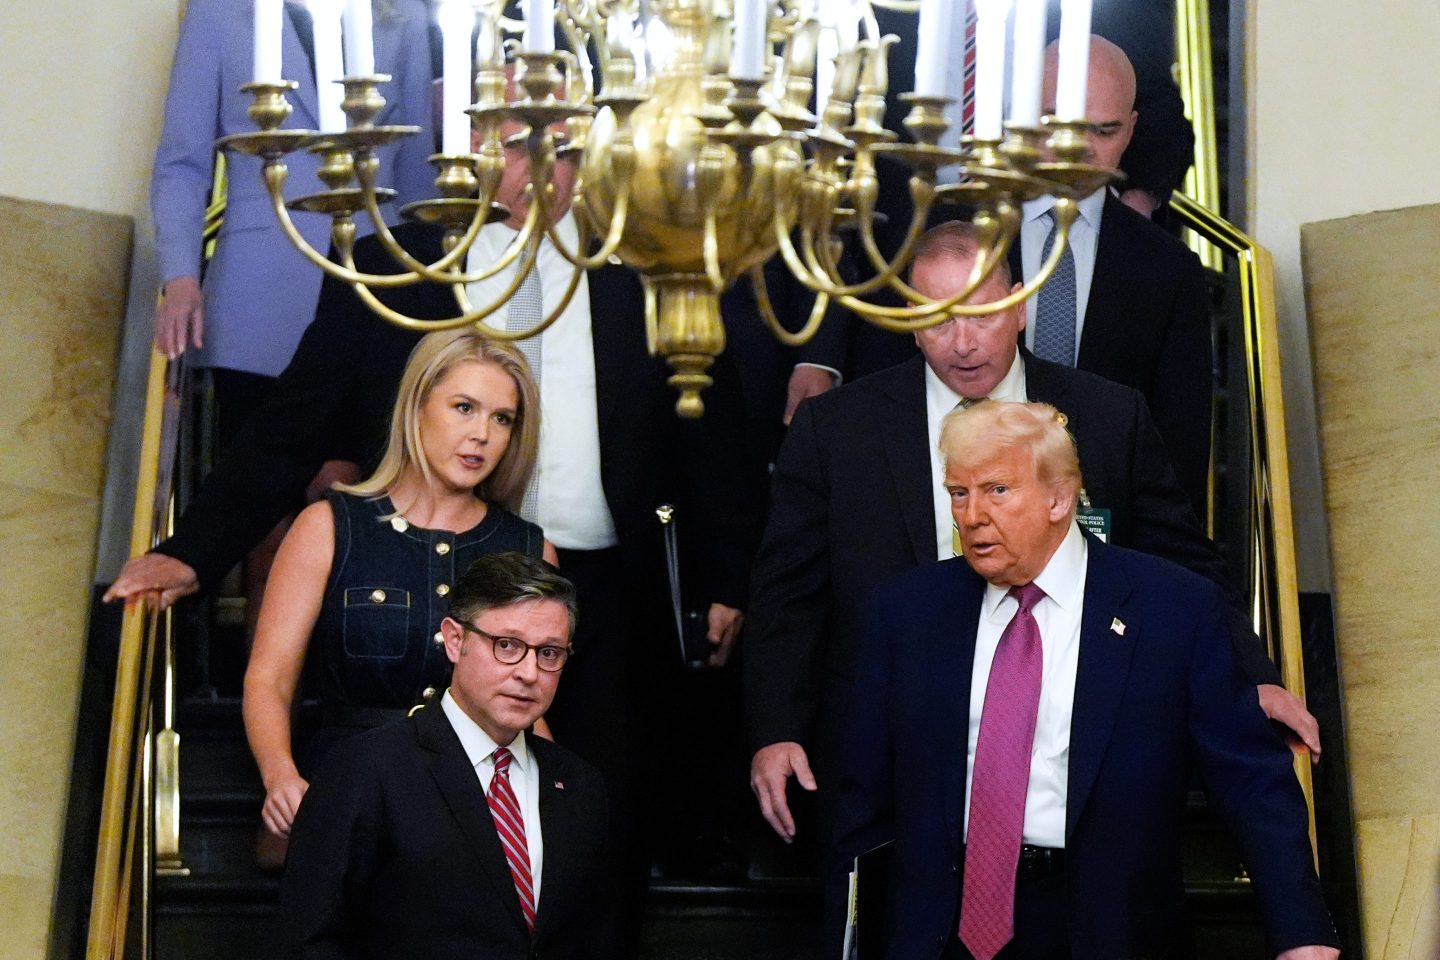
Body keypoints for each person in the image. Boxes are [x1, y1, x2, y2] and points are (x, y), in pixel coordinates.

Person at [107, 105, 760, 952]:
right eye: (517, 146)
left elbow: (707, 437)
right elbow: (291, 427)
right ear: (476, 149)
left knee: (596, 837)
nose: (538, 171)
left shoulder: (644, 272)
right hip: (431, 577)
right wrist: (188, 553)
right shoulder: (393, 268)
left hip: (602, 594)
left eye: (561, 151)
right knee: (421, 845)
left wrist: (726, 577)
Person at [745, 220, 1318, 850]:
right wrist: (777, 727)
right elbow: (788, 593)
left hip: (1068, 741)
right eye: (938, 319)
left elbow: (1182, 560)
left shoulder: (1106, 416)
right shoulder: (837, 430)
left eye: (983, 314)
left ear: (1019, 307)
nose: (963, 343)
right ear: (909, 318)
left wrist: (1254, 673)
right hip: (890, 746)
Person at [834, 401, 1338, 960]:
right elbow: (863, 797)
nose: (972, 514)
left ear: (1059, 498)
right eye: (959, 492)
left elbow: (1251, 782)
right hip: (938, 928)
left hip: (1104, 925)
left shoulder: (1172, 608)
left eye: (997, 490)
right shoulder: (909, 611)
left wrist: (1303, 932)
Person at [243, 329, 551, 840]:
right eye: (463, 407)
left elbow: (529, 704)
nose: (482, 434)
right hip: (349, 800)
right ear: (416, 406)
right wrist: (280, 777)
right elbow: (269, 679)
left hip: (480, 812)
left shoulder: (528, 548)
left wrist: (553, 809)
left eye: (502, 419)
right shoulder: (328, 526)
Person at [276, 552, 613, 960]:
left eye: (549, 653)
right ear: (455, 640)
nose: (528, 672)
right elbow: (307, 939)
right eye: (507, 645)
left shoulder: (580, 786)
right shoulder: (368, 768)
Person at [151, 0, 435, 430]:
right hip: (260, 298)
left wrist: (431, 294)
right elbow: (182, 166)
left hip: (378, 287)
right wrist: (180, 278)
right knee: (254, 487)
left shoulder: (403, 13)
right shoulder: (220, 11)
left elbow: (418, 171)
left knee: (366, 484)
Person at [1009, 36, 1213, 517]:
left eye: (1102, 131)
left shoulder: (1170, 272)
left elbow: (1178, 456)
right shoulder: (952, 235)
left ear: (1131, 131)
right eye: (1057, 124)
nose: (1077, 150)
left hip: (1107, 545)